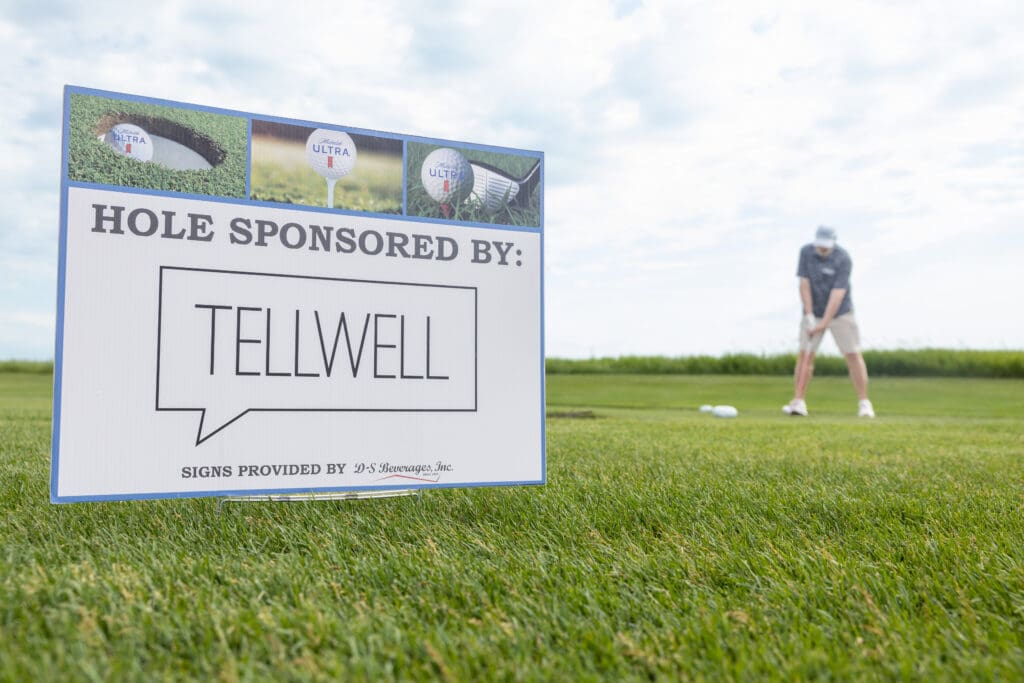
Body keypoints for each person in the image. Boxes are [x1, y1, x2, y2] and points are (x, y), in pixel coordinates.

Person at [783, 226, 875, 418]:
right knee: (805, 355)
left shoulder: (843, 258)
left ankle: (864, 403)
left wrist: (823, 323)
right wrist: (809, 315)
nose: (822, 249)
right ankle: (798, 401)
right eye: (820, 245)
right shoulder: (806, 252)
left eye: (826, 246)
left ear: (833, 242)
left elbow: (837, 294)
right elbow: (804, 284)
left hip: (841, 312)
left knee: (852, 354)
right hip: (813, 311)